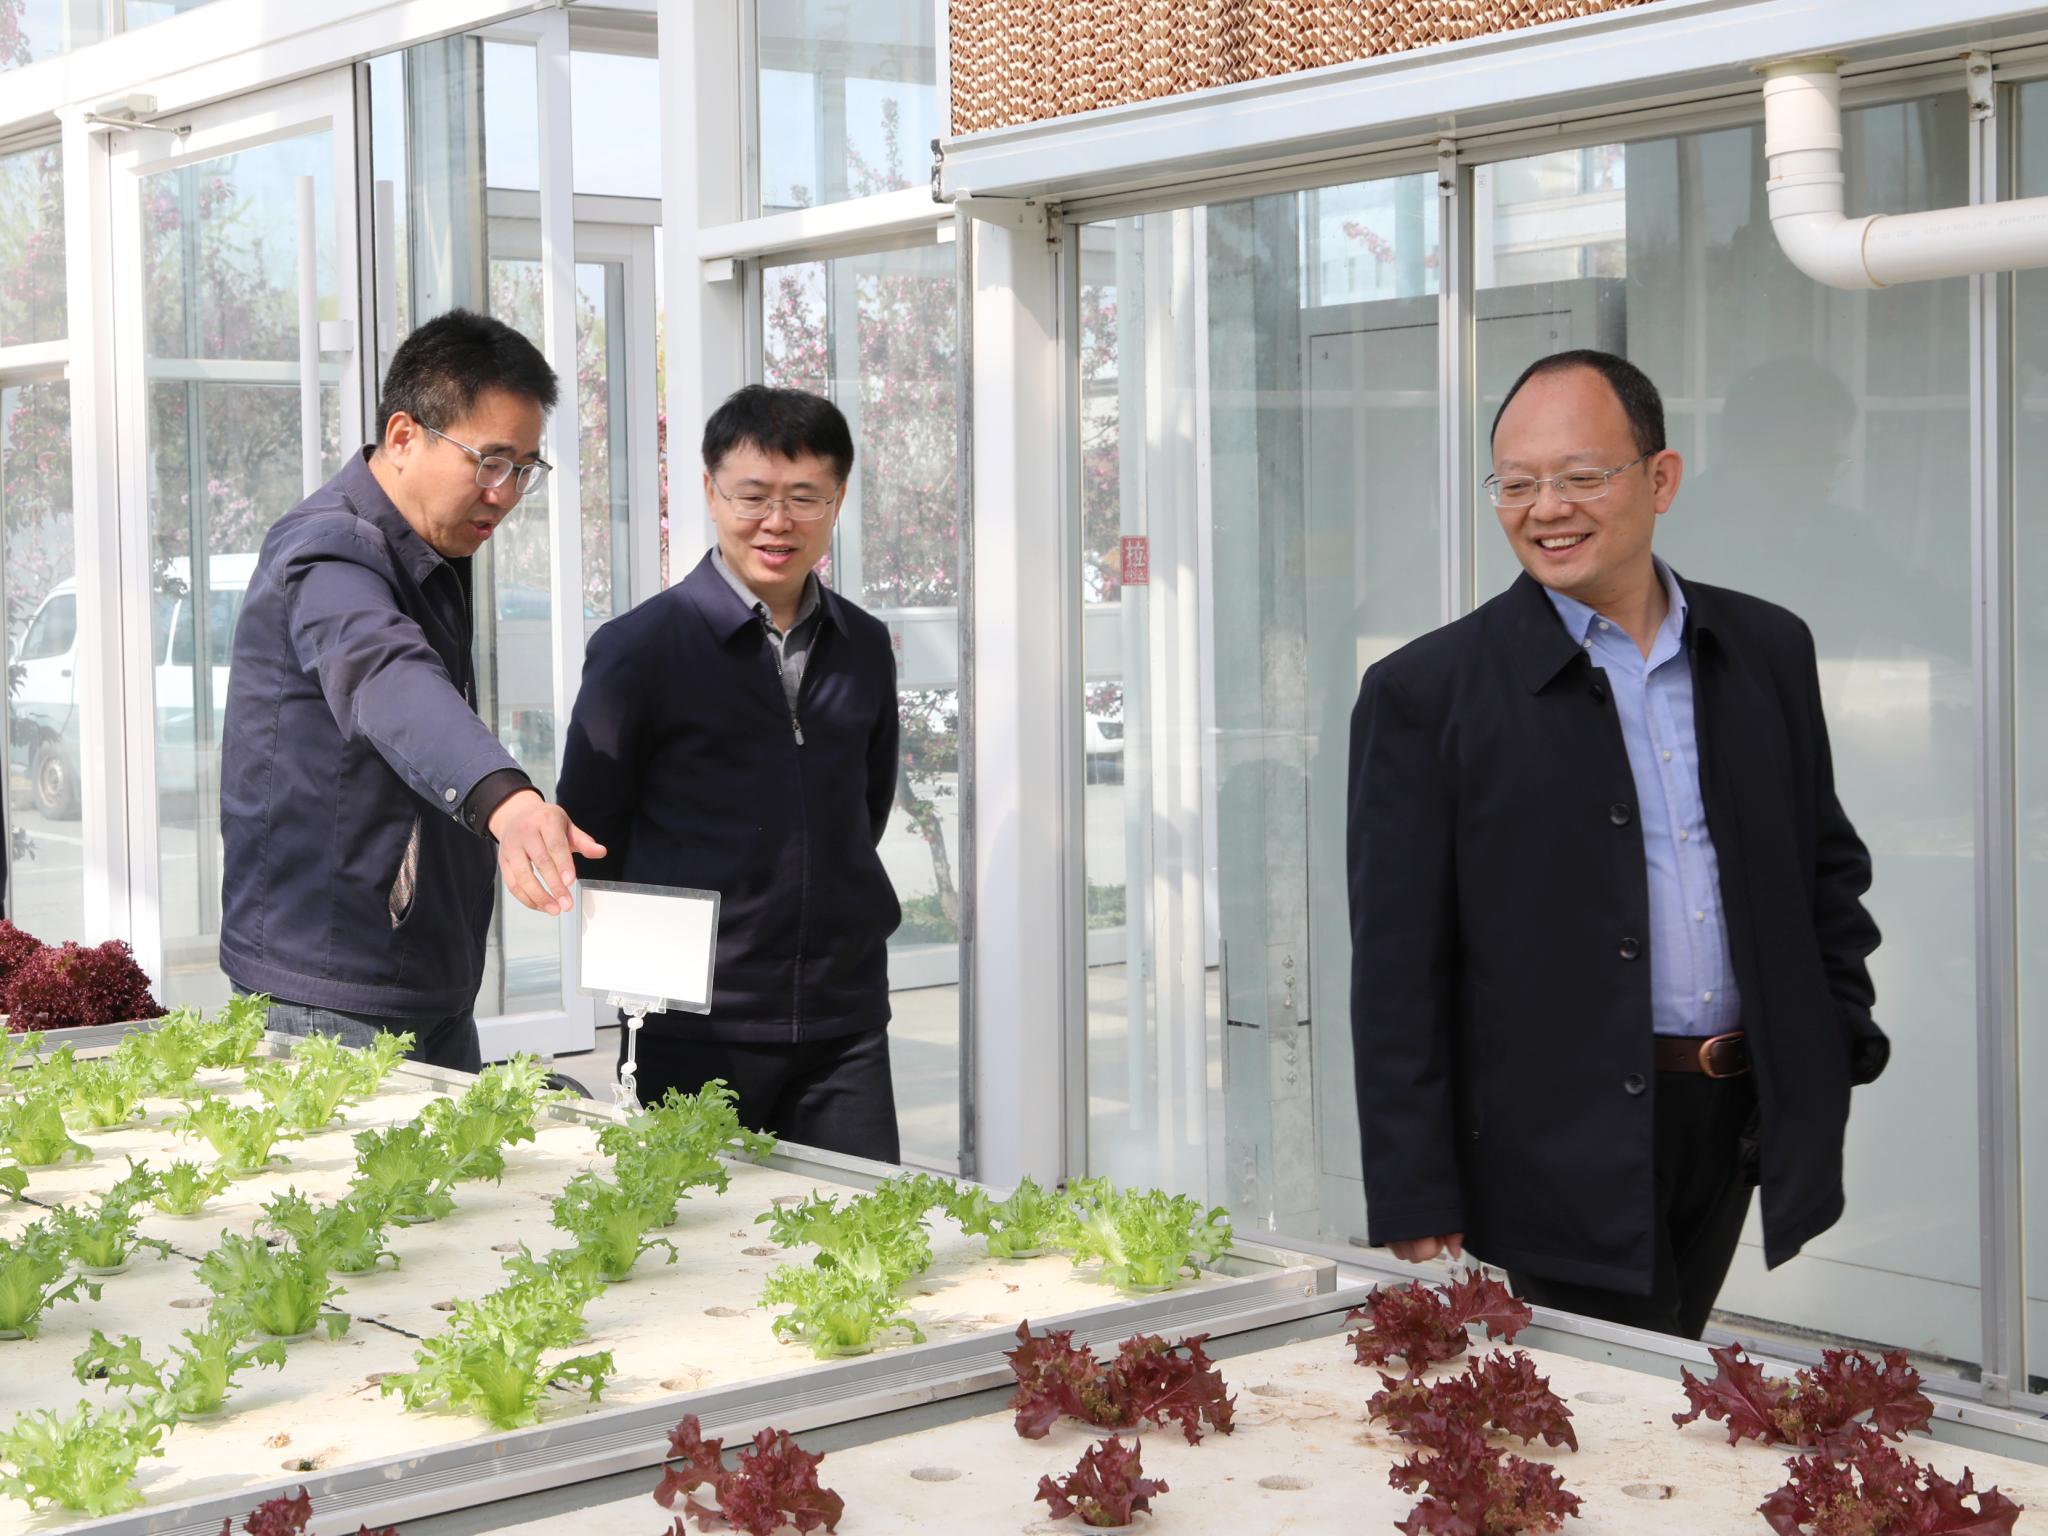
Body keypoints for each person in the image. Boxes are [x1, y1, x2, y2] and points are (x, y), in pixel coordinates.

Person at [1347, 348, 1887, 1339]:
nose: (1545, 508)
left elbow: (1822, 869)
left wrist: (1828, 1037)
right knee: (1613, 1399)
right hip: (1557, 1139)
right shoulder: (1425, 694)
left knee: (1669, 1369)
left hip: (1736, 1116)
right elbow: (1396, 965)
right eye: (1516, 484)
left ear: (1659, 478)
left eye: (1580, 476)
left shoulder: (1765, 650)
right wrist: (1413, 1179)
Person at [219, 308, 604, 1072]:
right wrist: (509, 802)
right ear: (402, 436)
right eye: (490, 462)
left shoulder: (429, 548)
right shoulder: (330, 549)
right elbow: (387, 675)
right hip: (331, 993)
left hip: (425, 976)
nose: (505, 494)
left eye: (525, 469)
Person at [556, 385, 903, 1159]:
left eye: (805, 497)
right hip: (692, 1026)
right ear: (711, 493)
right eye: (752, 496)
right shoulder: (640, 649)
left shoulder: (865, 646)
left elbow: (864, 810)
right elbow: (592, 830)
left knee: (860, 1228)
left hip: (844, 1019)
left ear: (839, 500)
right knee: (688, 1227)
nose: (777, 521)